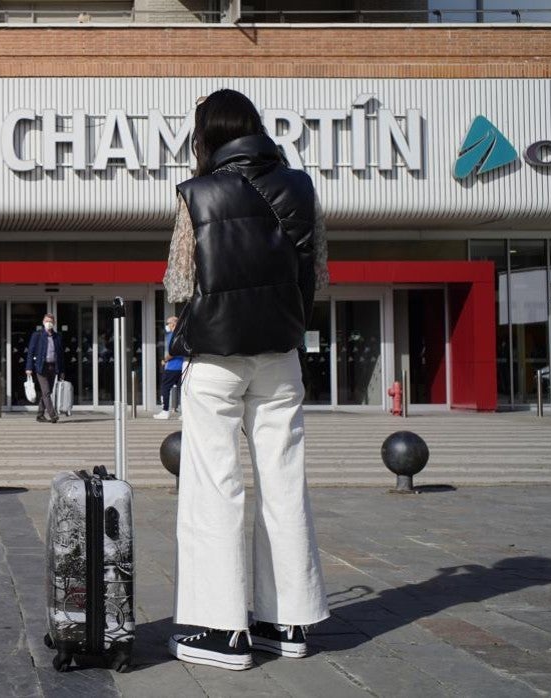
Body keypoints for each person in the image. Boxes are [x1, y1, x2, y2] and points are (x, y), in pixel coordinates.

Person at [163, 89, 330, 670]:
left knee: (215, 485)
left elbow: (179, 282)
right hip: (280, 354)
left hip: (216, 355)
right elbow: (319, 275)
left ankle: (218, 630)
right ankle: (288, 621)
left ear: (206, 136)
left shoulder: (197, 193)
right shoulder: (301, 188)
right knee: (284, 484)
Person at [24, 313, 65, 423]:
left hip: (53, 367)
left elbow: (60, 355)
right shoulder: (37, 335)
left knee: (47, 392)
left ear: (54, 323)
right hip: (41, 367)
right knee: (46, 392)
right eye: (47, 321)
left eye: (51, 321)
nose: (49, 323)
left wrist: (61, 371)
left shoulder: (57, 337)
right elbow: (30, 352)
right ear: (43, 322)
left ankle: (40, 415)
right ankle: (53, 415)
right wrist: (29, 368)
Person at [154, 315, 184, 420]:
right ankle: (184, 413)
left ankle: (165, 411)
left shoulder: (173, 335)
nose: (166, 325)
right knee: (182, 390)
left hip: (172, 367)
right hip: (182, 366)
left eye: (168, 323)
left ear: (173, 324)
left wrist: (165, 360)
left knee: (165, 388)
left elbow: (173, 352)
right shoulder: (182, 335)